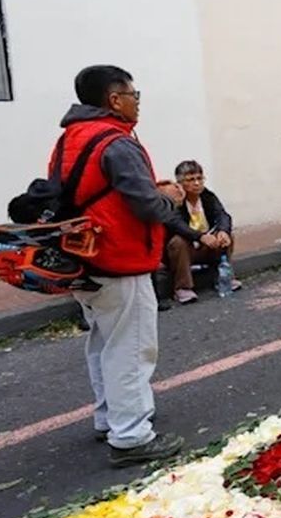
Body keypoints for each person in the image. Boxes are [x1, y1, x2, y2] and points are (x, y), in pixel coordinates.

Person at [55, 65, 199, 467]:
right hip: (118, 257)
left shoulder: (70, 138)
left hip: (84, 257)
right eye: (135, 94)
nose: (138, 102)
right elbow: (145, 205)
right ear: (114, 99)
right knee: (131, 347)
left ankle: (110, 417)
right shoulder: (115, 143)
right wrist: (168, 197)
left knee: (102, 342)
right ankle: (132, 435)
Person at [158, 160, 237, 307]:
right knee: (178, 241)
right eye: (190, 180)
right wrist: (200, 236)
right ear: (180, 183)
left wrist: (223, 231)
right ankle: (183, 287)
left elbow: (223, 215)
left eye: (199, 178)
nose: (196, 183)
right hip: (185, 251)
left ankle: (224, 277)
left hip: (206, 247)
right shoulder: (175, 200)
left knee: (227, 237)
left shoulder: (207, 196)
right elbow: (175, 223)